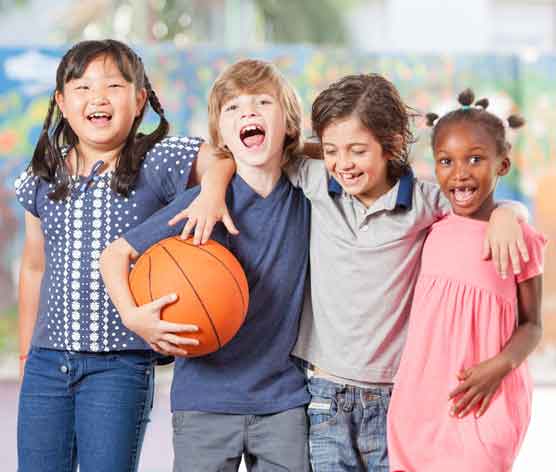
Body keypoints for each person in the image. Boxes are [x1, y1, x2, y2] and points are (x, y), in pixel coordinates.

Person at [174, 73, 530, 471]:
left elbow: (477, 204)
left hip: (396, 396)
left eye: (357, 151)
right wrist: (211, 188)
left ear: (391, 145)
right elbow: (243, 154)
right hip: (324, 393)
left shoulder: (426, 203)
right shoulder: (312, 177)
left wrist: (509, 212)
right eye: (332, 150)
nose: (343, 164)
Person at [15, 38, 223, 472]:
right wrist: (25, 354)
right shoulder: (42, 177)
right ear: (62, 103)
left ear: (140, 99)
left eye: (113, 86)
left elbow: (220, 160)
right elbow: (34, 267)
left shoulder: (157, 160)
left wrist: (211, 195)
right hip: (46, 362)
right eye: (83, 88)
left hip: (120, 365)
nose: (98, 98)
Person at [100, 58, 311, 472]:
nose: (247, 112)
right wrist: (134, 317)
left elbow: (339, 152)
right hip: (205, 399)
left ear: (287, 123)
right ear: (222, 137)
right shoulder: (202, 205)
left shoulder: (309, 195)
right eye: (232, 108)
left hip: (284, 400)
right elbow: (114, 256)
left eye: (262, 102)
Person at [387, 89, 546, 472]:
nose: (459, 172)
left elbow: (532, 326)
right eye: (446, 161)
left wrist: (500, 365)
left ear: (502, 165)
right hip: (420, 402)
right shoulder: (432, 226)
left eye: (475, 159)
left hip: (487, 398)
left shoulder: (519, 238)